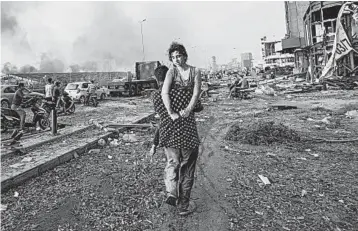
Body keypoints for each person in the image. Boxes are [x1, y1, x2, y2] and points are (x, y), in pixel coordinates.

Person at [156, 42, 201, 216]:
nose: (176, 60)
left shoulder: (160, 94)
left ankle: (171, 192)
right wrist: (186, 110)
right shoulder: (188, 88)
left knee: (172, 164)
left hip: (170, 134)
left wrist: (171, 112)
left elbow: (163, 96)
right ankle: (183, 206)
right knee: (188, 169)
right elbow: (197, 99)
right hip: (188, 132)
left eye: (178, 56)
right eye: (173, 58)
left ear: (184, 55)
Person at [149, 65, 169, 159]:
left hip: (168, 136)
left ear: (157, 80)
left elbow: (162, 120)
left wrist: (154, 144)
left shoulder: (156, 95)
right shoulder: (179, 91)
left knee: (172, 165)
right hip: (186, 135)